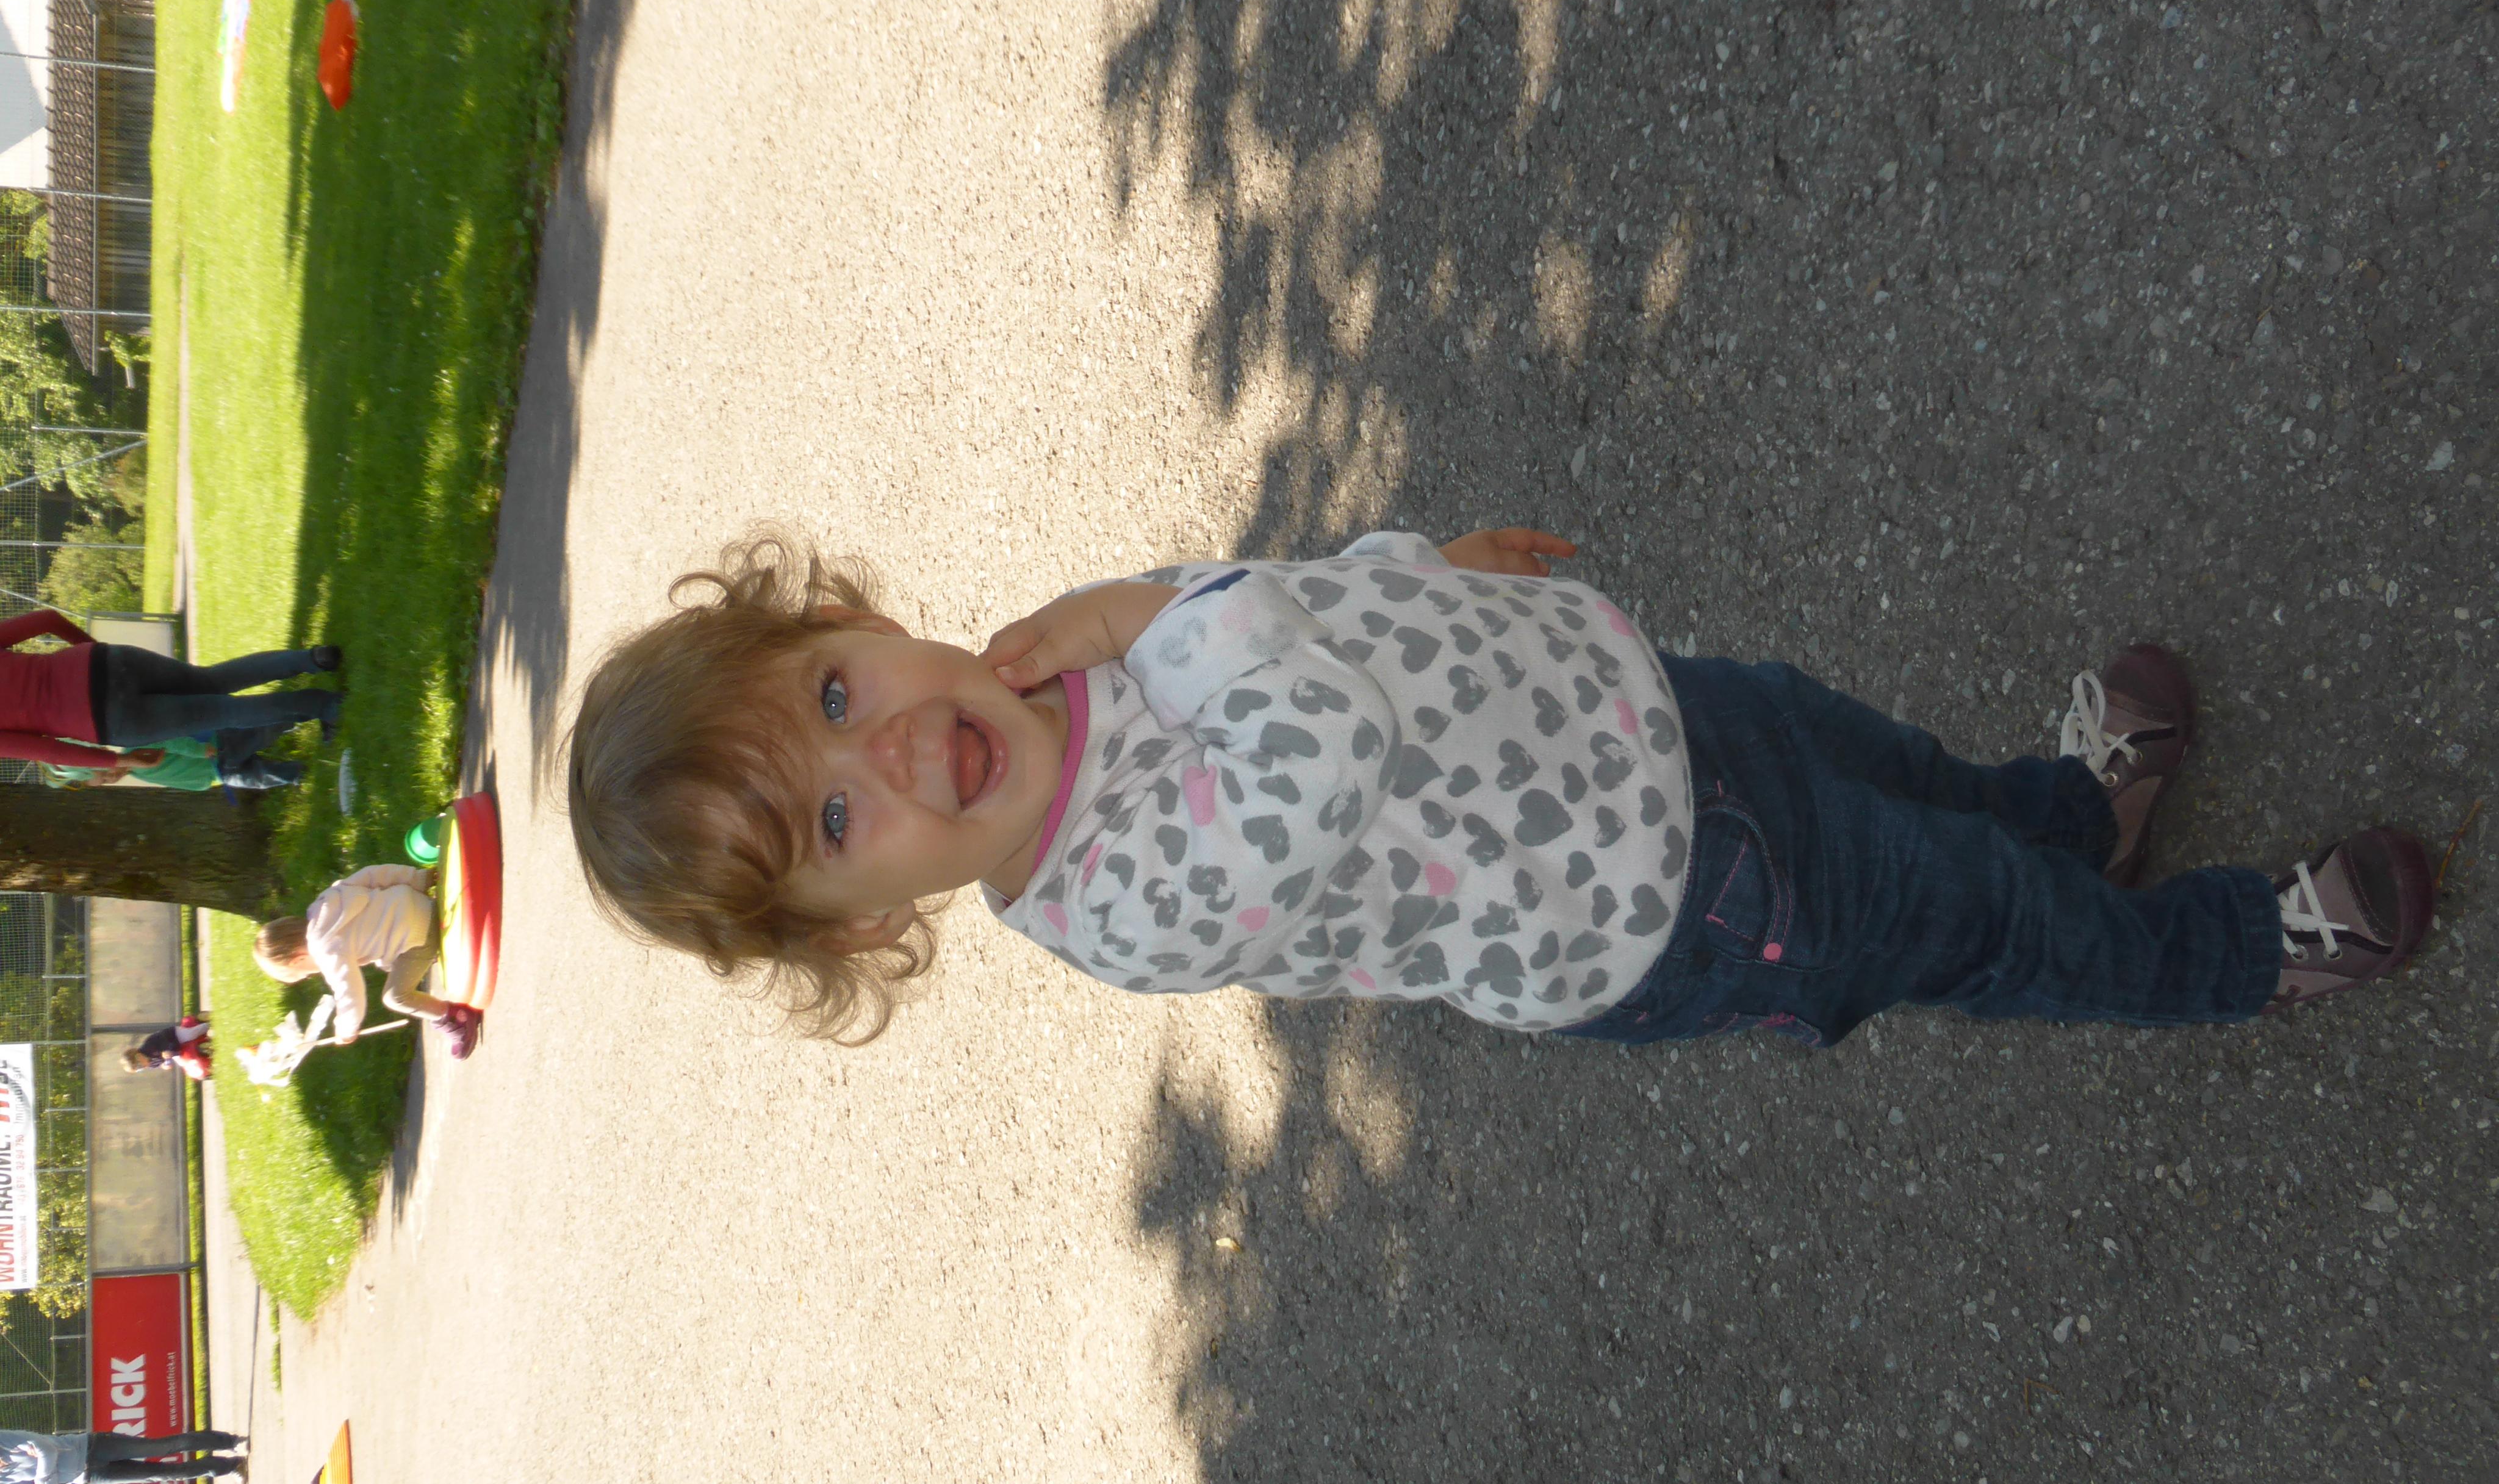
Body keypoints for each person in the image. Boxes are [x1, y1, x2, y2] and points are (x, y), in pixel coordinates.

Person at [564, 528, 2433, 1047]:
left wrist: (1419, 566)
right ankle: (2231, 953)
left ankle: (2068, 817)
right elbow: (1307, 739)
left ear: (854, 622)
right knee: (1971, 923)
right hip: (1666, 899)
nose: (890, 750)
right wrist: (1149, 610)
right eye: (838, 823)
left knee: (1905, 778)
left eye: (836, 694)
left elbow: (1284, 608)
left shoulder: (1047, 665)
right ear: (866, 922)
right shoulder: (1111, 903)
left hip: (1650, 718)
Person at [0, 605, 339, 770]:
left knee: (226, 713)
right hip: (105, 663)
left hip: (109, 719)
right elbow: (46, 620)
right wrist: (89, 651)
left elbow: (49, 752)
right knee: (212, 680)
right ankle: (314, 659)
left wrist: (119, 762)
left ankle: (324, 705)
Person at [254, 864, 482, 1059]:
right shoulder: (325, 902)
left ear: (298, 960)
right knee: (388, 961)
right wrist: (419, 878)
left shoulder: (324, 949)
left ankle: (456, 1019)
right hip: (421, 903)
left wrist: (346, 1029)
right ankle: (434, 962)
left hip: (420, 936)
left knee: (395, 998)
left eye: (304, 974)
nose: (311, 974)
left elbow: (350, 993)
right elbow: (372, 875)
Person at [42, 724, 304, 792]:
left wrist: (199, 750)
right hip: (216, 773)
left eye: (104, 776)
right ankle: (299, 774)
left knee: (260, 735)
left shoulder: (133, 752)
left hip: (216, 750)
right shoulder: (136, 771)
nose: (111, 779)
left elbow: (169, 742)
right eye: (106, 782)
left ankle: (298, 715)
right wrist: (201, 783)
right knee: (260, 777)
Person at [0, 1427, 246, 1484]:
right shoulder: (3, 1481)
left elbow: (46, 1449)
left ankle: (231, 1442)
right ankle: (230, 1466)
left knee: (163, 1447)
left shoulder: (5, 1440)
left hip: (94, 1447)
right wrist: (46, 1473)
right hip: (89, 1476)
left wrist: (44, 1477)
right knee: (166, 1474)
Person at [121, 1016, 212, 1083]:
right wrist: (166, 1065)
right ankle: (207, 1069)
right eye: (139, 1070)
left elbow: (167, 1043)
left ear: (138, 1056)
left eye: (140, 1067)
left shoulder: (149, 1045)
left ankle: (208, 1026)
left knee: (190, 1035)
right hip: (176, 1053)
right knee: (187, 1065)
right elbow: (163, 1063)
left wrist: (167, 1051)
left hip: (175, 1037)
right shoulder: (151, 1065)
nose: (143, 1068)